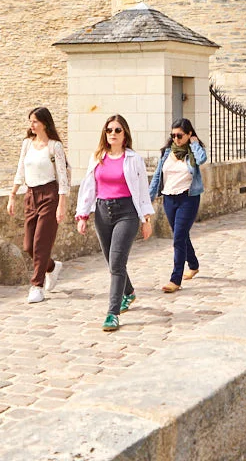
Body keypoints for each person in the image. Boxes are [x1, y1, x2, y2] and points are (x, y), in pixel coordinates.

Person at [74, 114, 154, 331]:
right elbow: (89, 187)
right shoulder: (98, 157)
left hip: (126, 212)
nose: (113, 134)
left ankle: (112, 313)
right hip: (102, 212)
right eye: (109, 130)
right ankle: (129, 293)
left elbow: (142, 191)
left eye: (117, 130)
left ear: (125, 133)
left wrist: (146, 219)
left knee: (117, 262)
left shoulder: (133, 159)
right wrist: (82, 215)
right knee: (112, 262)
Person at [9, 106, 70, 304]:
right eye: (30, 121)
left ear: (44, 123)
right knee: (28, 246)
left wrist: (62, 205)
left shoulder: (55, 146)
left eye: (34, 121)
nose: (31, 125)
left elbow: (62, 177)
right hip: (30, 194)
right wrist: (12, 194)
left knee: (41, 243)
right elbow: (20, 169)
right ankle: (52, 267)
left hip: (50, 195)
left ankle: (37, 286)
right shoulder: (27, 144)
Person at [147, 118, 207, 293]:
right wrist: (148, 200)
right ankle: (194, 265)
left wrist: (194, 143)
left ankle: (175, 279)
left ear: (189, 135)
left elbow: (202, 159)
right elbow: (158, 176)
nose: (176, 139)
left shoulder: (193, 153)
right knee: (180, 235)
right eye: (173, 135)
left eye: (180, 135)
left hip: (188, 198)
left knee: (178, 237)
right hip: (169, 199)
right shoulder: (167, 152)